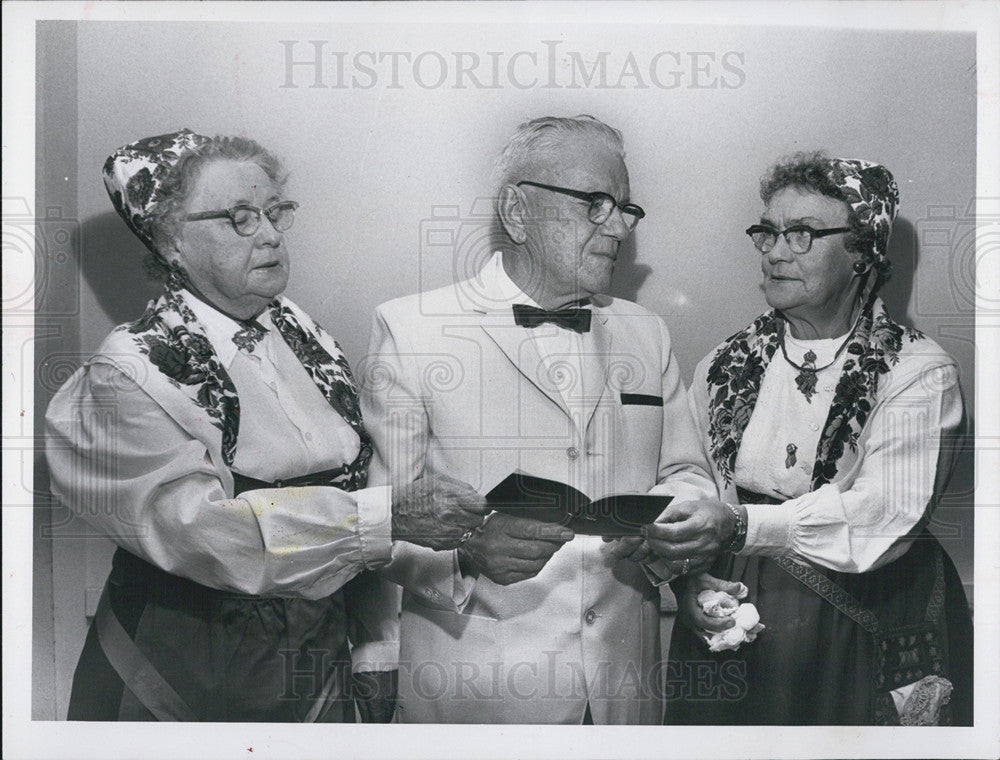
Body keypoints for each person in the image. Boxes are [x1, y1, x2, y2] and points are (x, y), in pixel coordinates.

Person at [45, 130, 487, 722]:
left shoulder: (305, 337)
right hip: (184, 665)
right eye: (239, 218)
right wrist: (391, 516)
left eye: (275, 212)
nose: (271, 234)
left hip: (317, 657)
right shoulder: (127, 372)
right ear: (172, 242)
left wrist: (380, 651)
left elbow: (358, 504)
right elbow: (206, 536)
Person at [359, 115, 718, 724]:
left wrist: (674, 523)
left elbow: (687, 471)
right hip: (481, 701)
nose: (617, 227)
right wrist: (467, 552)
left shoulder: (646, 333)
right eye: (594, 203)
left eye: (626, 208)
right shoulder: (412, 331)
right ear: (517, 212)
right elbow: (378, 522)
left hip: (623, 695)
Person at [645, 153, 973, 725]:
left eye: (802, 235)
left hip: (860, 617)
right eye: (768, 232)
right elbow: (687, 480)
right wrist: (689, 576)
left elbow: (882, 513)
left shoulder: (918, 373)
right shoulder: (726, 362)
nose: (775, 251)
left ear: (863, 252)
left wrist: (741, 525)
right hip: (729, 611)